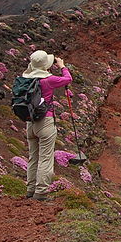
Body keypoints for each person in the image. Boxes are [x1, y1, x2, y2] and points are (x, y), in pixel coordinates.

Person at [22, 50, 72, 200]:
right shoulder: (49, 80)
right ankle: (41, 192)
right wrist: (62, 66)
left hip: (30, 122)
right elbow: (67, 79)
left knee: (33, 158)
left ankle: (30, 190)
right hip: (45, 122)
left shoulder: (26, 78)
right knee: (45, 158)